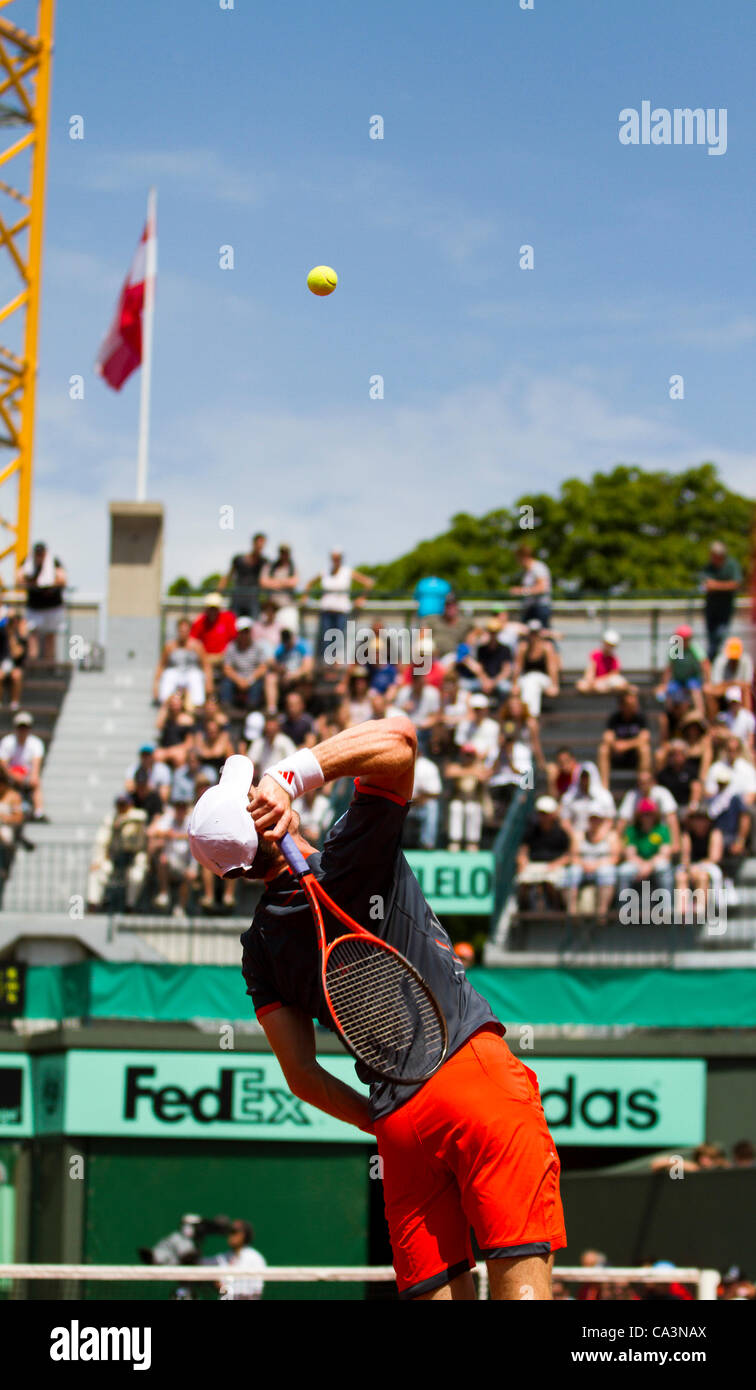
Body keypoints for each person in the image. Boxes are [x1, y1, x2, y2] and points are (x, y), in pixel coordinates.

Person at [188, 731, 566, 1300]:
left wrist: (384, 1124)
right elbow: (400, 742)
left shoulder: (259, 949)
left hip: (399, 1123)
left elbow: (303, 1077)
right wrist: (288, 777)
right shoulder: (352, 854)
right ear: (266, 819)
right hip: (473, 1077)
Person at [301, 549, 375, 662]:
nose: (336, 560)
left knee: (338, 640)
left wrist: (361, 598)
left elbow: (368, 582)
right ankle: (326, 665)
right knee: (325, 641)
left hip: (341, 612)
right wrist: (304, 597)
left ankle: (336, 664)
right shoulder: (325, 571)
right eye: (334, 558)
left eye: (338, 558)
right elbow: (309, 583)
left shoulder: (347, 571)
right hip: (326, 612)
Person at [516, 796, 573, 911]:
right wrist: (522, 860)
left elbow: (569, 854)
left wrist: (556, 864)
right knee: (523, 881)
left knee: (550, 882)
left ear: (553, 815)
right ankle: (524, 912)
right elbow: (523, 849)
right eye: (540, 813)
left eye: (545, 813)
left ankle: (556, 911)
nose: (543, 817)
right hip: (533, 865)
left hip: (554, 866)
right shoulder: (531, 830)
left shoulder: (561, 832)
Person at [16, 541, 67, 661]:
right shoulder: (28, 564)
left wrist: (47, 583)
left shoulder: (53, 562)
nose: (39, 557)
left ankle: (49, 664)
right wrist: (34, 582)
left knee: (50, 638)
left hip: (52, 607)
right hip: (35, 608)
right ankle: (33, 664)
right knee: (32, 637)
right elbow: (19, 579)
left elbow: (62, 579)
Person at [617, 799, 674, 897]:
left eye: (650, 814)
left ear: (655, 815)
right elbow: (630, 854)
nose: (647, 817)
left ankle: (667, 905)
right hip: (637, 864)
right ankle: (623, 905)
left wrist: (649, 865)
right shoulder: (632, 830)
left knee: (663, 867)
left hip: (655, 863)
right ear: (638, 816)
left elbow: (664, 854)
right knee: (624, 871)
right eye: (644, 814)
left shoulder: (663, 829)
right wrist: (642, 865)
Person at [153, 618, 210, 708]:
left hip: (191, 672)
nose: (183, 633)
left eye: (186, 631)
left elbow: (205, 665)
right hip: (175, 672)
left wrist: (209, 683)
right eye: (181, 631)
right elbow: (161, 665)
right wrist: (155, 685)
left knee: (196, 676)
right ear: (177, 631)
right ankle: (164, 702)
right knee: (168, 675)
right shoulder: (170, 646)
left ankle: (198, 705)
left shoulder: (197, 646)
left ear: (189, 631)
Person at [598, 689, 651, 786]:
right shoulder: (614, 718)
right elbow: (607, 737)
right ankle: (604, 786)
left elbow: (645, 737)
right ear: (622, 705)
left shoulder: (640, 718)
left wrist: (625, 745)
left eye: (635, 703)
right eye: (630, 704)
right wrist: (616, 745)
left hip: (634, 755)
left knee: (645, 749)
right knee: (603, 749)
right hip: (617, 754)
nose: (634, 706)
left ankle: (643, 786)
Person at [655, 625, 708, 722]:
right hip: (678, 680)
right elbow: (669, 669)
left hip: (692, 678)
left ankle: (700, 713)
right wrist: (664, 684)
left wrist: (707, 682)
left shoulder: (694, 649)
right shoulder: (675, 650)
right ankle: (670, 715)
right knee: (669, 691)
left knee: (695, 690)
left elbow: (705, 664)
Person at [220, 618, 273, 712]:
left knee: (258, 684)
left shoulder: (258, 647)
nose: (244, 635)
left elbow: (263, 667)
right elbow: (227, 668)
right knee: (226, 683)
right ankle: (226, 707)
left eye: (246, 632)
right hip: (236, 678)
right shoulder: (231, 647)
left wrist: (249, 680)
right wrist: (238, 680)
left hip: (253, 677)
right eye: (242, 632)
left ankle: (252, 707)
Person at [0, 710, 46, 820]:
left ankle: (39, 812)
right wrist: (12, 775)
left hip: (26, 775)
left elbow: (36, 765)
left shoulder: (35, 743)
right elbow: (3, 763)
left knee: (36, 783)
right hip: (9, 775)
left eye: (25, 728)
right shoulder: (7, 742)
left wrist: (32, 777)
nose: (22, 731)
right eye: (20, 728)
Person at [701, 541, 742, 661]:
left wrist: (716, 586)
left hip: (725, 610)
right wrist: (722, 586)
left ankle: (711, 661)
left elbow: (735, 584)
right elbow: (705, 584)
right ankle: (712, 662)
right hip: (711, 610)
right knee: (712, 640)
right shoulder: (708, 567)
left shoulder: (732, 565)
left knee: (719, 637)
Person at [220, 532, 268, 618]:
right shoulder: (239, 559)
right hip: (238, 596)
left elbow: (265, 580)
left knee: (255, 622)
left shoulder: (263, 562)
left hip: (253, 597)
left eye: (262, 544)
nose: (260, 546)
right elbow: (228, 576)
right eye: (259, 543)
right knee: (233, 620)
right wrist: (218, 593)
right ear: (253, 543)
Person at [705, 635, 753, 720]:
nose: (733, 660)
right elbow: (716, 685)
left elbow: (748, 684)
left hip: (740, 690)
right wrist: (733, 683)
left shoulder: (746, 660)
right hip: (723, 691)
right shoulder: (720, 661)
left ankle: (747, 721)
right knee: (708, 690)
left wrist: (731, 684)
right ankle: (714, 722)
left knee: (746, 691)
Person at [189, 593, 237, 668]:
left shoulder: (228, 618)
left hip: (225, 657)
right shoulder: (200, 621)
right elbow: (192, 640)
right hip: (206, 658)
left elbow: (234, 639)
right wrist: (202, 654)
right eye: (210, 608)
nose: (212, 611)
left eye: (215, 608)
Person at [260, 543, 300, 633]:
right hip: (271, 608)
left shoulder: (292, 568)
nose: (284, 555)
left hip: (287, 606)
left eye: (286, 553)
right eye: (282, 552)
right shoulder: (270, 567)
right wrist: (285, 583)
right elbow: (263, 582)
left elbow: (294, 582)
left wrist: (274, 583)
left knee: (289, 632)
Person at [510, 546, 552, 628]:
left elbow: (542, 588)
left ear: (523, 557)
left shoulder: (538, 567)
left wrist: (521, 591)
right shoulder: (527, 571)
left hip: (539, 608)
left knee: (541, 633)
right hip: (530, 608)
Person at [0, 609, 29, 710]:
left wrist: (12, 636)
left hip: (16, 665)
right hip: (2, 664)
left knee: (17, 675)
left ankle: (15, 702)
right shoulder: (2, 633)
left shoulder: (20, 636)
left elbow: (17, 654)